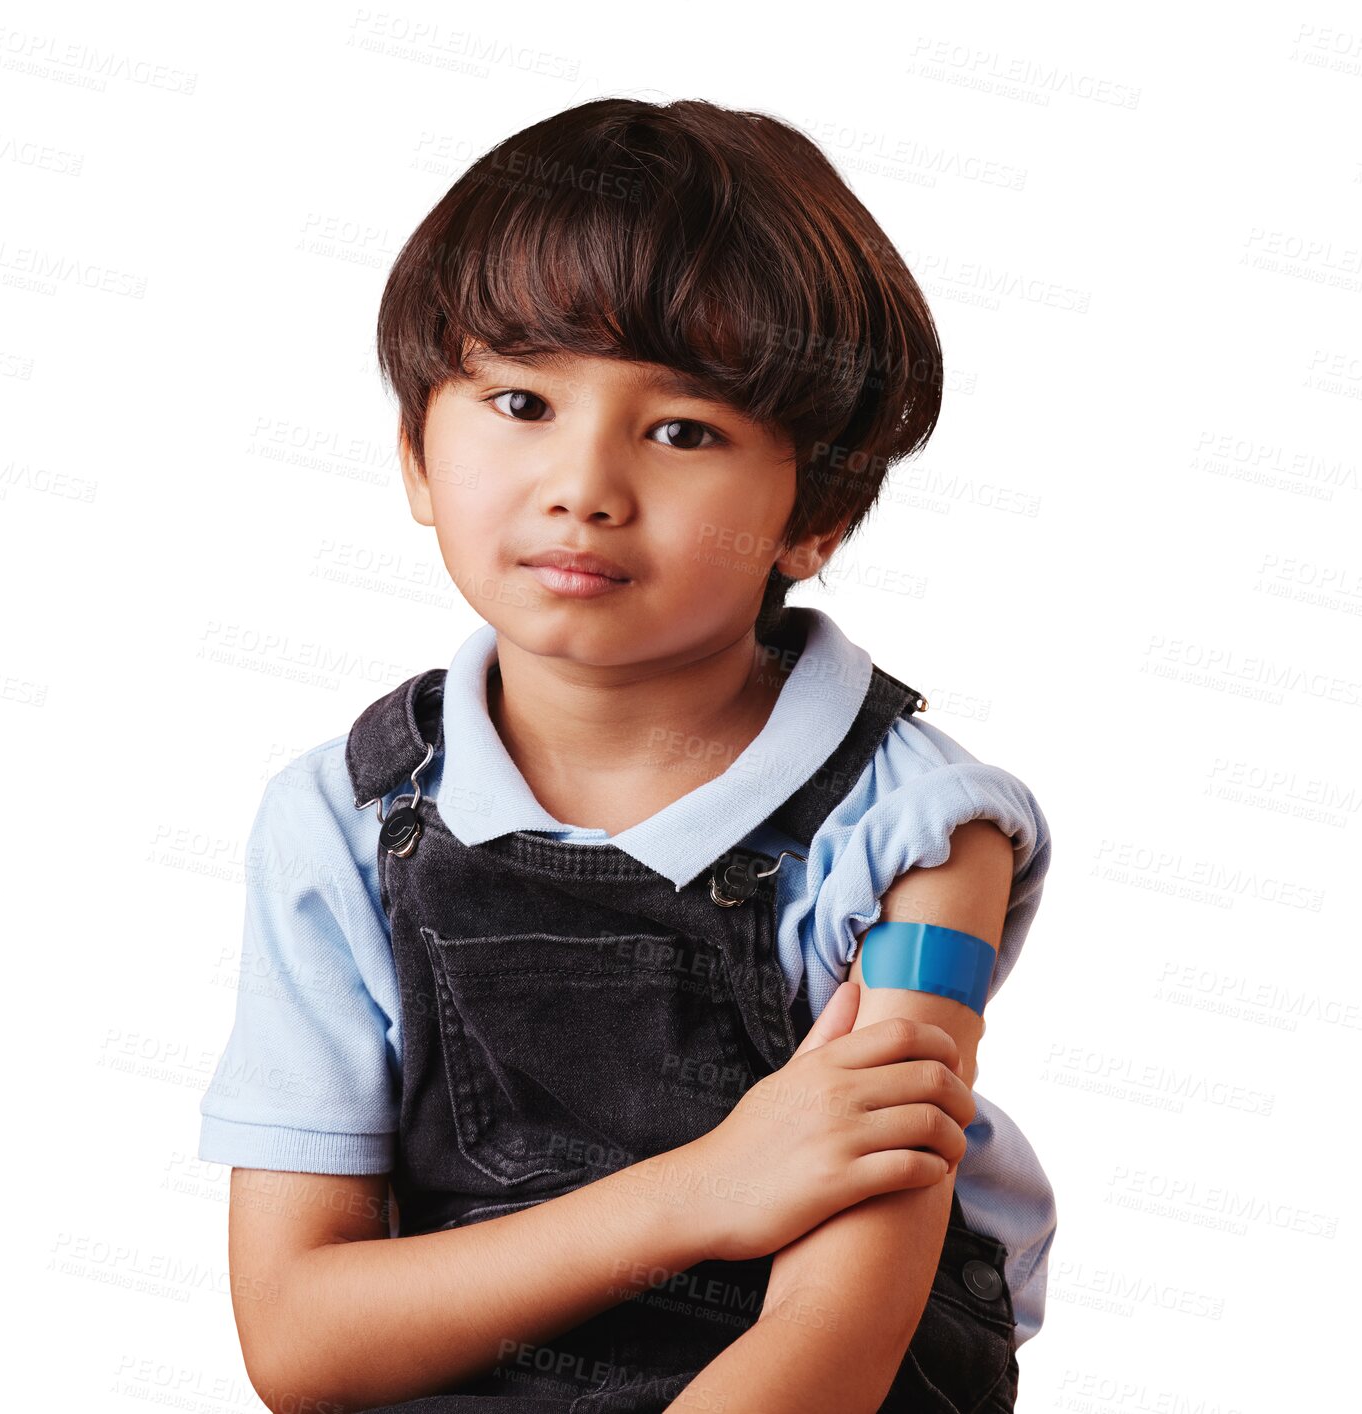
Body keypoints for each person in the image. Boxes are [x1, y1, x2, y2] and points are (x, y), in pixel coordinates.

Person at [199, 97, 1055, 1413]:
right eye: (520, 400)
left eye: (680, 430)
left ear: (815, 509)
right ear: (417, 453)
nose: (582, 483)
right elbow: (304, 1342)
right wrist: (705, 1188)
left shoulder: (922, 837)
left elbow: (839, 1343)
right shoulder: (346, 816)